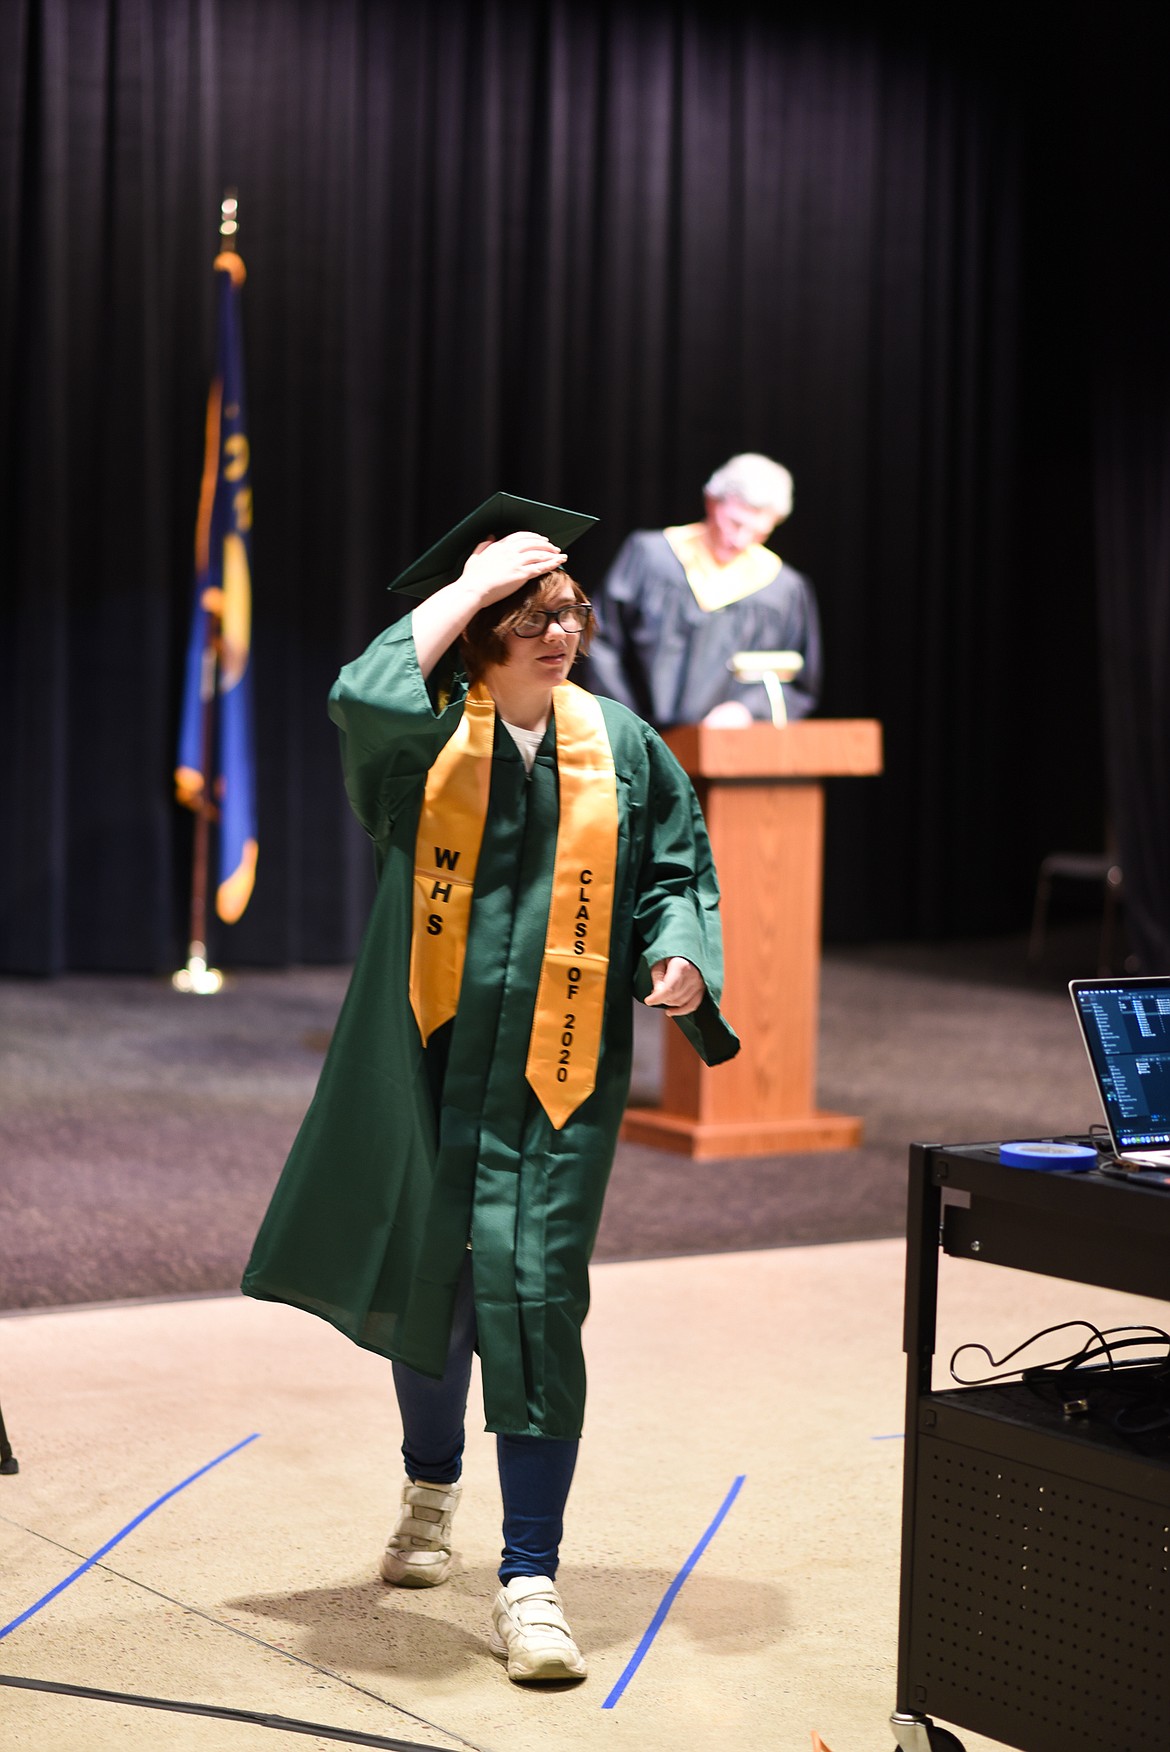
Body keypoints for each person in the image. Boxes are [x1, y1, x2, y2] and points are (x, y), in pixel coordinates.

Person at [242, 519, 739, 1685]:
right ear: (478, 640)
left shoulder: (618, 741)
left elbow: (676, 864)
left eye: (571, 616)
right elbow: (362, 697)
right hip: (428, 1063)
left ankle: (530, 1576)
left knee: (535, 1294)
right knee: (437, 1280)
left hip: (556, 1077)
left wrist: (679, 951)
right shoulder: (423, 746)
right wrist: (470, 583)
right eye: (532, 621)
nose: (560, 637)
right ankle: (429, 1492)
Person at [586, 453, 822, 729]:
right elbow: (601, 641)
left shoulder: (783, 589)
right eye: (735, 523)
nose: (741, 540)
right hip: (639, 740)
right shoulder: (651, 557)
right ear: (712, 502)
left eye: (760, 533)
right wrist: (625, 723)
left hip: (730, 752)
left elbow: (796, 681)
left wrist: (747, 710)